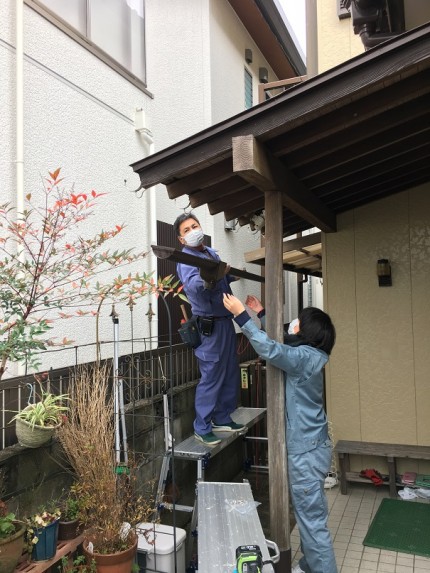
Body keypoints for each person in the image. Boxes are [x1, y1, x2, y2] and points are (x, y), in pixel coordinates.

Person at [223, 293, 337, 573]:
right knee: (309, 514)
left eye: (300, 321)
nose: (294, 323)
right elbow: (282, 339)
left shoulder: (302, 358)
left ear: (307, 332)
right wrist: (261, 313)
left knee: (311, 520)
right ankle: (311, 566)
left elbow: (272, 349)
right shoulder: (311, 354)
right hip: (313, 446)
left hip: (306, 453)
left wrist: (242, 316)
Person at [173, 212, 244, 446]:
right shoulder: (187, 259)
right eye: (186, 230)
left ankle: (222, 417)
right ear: (182, 239)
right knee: (212, 374)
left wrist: (228, 275)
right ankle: (202, 427)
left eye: (195, 225)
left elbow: (220, 279)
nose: (193, 230)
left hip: (225, 320)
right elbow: (194, 288)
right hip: (209, 326)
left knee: (230, 371)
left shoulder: (210, 252)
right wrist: (210, 279)